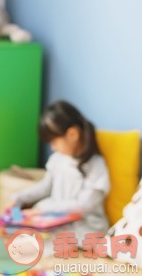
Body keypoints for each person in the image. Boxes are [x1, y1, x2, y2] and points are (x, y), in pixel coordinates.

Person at [11, 100, 110, 241]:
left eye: (54, 141)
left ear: (72, 134)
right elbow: (45, 187)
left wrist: (42, 209)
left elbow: (83, 205)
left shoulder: (96, 165)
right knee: (19, 231)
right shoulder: (58, 159)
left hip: (86, 225)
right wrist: (18, 197)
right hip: (56, 219)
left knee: (42, 241)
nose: (52, 147)